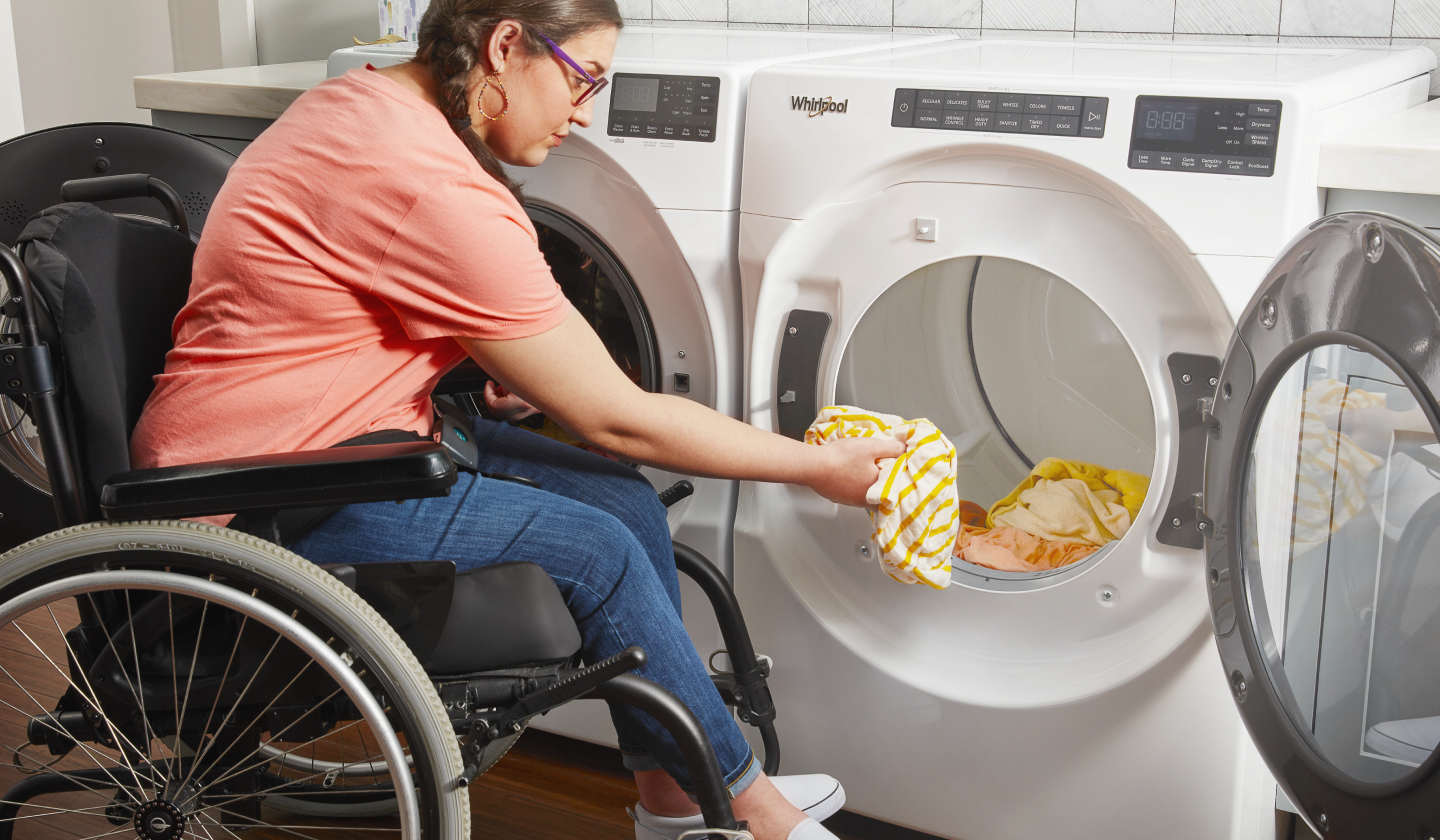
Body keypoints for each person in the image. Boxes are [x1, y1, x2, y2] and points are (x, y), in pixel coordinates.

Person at [129, 1, 903, 838]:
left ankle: (673, 802)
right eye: (584, 81)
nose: (586, 113)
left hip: (325, 434)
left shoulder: (364, 103)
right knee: (598, 549)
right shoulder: (429, 181)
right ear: (504, 46)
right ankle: (758, 816)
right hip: (258, 494)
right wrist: (817, 468)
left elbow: (340, 311)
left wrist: (479, 365)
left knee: (621, 500)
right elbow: (621, 420)